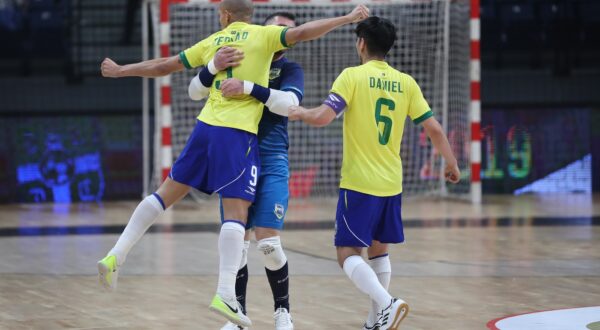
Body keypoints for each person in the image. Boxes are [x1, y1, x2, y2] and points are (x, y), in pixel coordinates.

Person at [97, 0, 369, 328]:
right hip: (237, 135)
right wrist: (347, 17)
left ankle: (116, 254)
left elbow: (165, 65)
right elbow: (304, 32)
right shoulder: (263, 37)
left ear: (225, 15)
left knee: (163, 195)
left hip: (204, 128)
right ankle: (226, 293)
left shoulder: (216, 40)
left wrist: (121, 70)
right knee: (237, 217)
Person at [288, 16, 460, 330]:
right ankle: (375, 321)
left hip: (359, 183)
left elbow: (325, 117)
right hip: (392, 183)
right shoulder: (406, 82)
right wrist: (451, 163)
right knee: (379, 250)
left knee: (346, 253)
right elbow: (433, 128)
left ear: (361, 43)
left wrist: (301, 113)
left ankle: (387, 303)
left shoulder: (352, 76)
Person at [188, 11, 303, 330]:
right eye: (275, 29)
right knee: (237, 243)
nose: (281, 35)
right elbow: (195, 89)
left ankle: (283, 311)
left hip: (272, 156)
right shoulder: (238, 57)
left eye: (287, 32)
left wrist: (250, 88)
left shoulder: (289, 69)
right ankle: (236, 314)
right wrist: (211, 69)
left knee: (268, 243)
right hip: (237, 155)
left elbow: (289, 105)